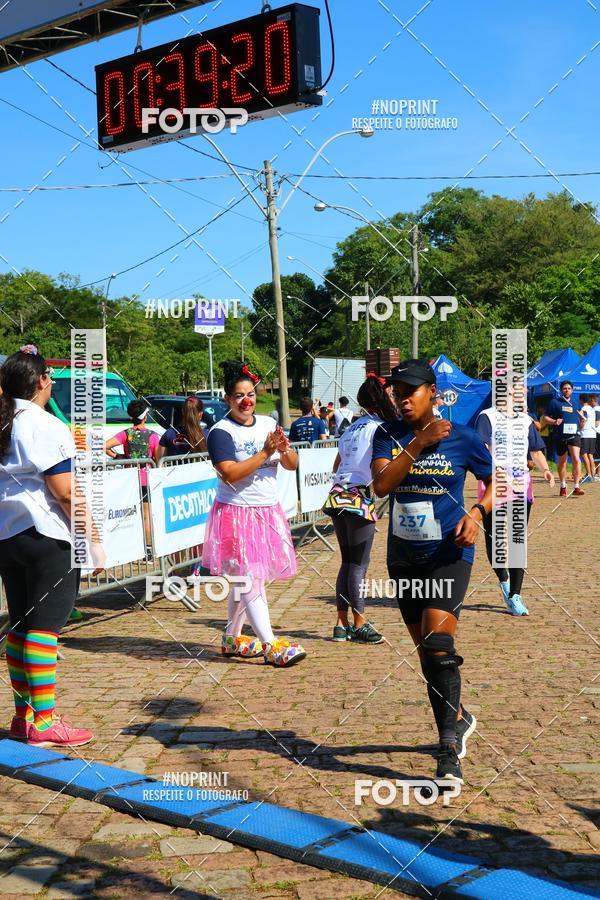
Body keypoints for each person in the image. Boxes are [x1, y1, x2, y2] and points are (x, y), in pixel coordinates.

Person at [372, 360, 494, 784]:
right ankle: (458, 716)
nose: (401, 398)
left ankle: (447, 749)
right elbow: (382, 485)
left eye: (410, 391)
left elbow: (498, 481)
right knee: (427, 655)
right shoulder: (387, 434)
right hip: (404, 557)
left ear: (432, 393)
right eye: (396, 391)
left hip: (448, 553)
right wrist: (419, 442)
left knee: (440, 645)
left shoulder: (463, 437)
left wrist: (477, 512)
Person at [0, 346, 101, 748]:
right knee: (44, 631)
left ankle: (24, 717)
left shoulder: (5, 420)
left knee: (21, 627)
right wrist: (90, 534)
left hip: (8, 535)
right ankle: (44, 722)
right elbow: (63, 491)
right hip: (45, 535)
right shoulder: (43, 424)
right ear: (43, 380)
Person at [202, 361, 306, 667]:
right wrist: (263, 452)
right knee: (249, 579)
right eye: (238, 396)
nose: (246, 401)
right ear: (227, 399)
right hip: (236, 514)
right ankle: (270, 643)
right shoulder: (220, 432)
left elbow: (292, 464)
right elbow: (229, 474)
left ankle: (232, 638)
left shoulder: (267, 424)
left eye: (250, 394)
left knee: (243, 580)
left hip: (267, 512)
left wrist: (283, 449)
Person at [323, 374, 397, 644]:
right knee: (358, 566)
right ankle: (360, 623)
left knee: (347, 563)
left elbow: (336, 465)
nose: (394, 399)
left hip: (337, 495)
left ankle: (341, 624)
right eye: (390, 394)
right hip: (358, 498)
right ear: (382, 398)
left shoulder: (352, 427)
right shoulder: (382, 428)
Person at [475, 399, 555, 616]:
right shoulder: (487, 417)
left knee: (517, 538)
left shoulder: (525, 420)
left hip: (521, 485)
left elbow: (536, 451)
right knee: (495, 539)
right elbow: (482, 449)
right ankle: (504, 581)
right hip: (495, 485)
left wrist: (546, 469)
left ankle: (515, 595)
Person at [104, 399, 160, 551]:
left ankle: (131, 548)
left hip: (129, 481)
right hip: (146, 480)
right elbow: (158, 459)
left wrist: (118, 457)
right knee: (147, 515)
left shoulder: (125, 434)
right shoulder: (153, 436)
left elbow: (104, 446)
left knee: (131, 516)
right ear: (145, 417)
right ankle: (148, 549)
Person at [542, 381, 585, 496]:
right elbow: (545, 417)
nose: (567, 390)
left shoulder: (576, 403)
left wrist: (582, 422)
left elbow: (581, 424)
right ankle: (563, 485)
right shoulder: (555, 402)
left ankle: (576, 487)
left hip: (574, 435)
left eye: (569, 388)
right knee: (562, 462)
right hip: (560, 436)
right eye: (565, 388)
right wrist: (554, 421)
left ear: (572, 390)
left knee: (576, 459)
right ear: (561, 390)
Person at [156, 396, 207, 460]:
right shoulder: (208, 435)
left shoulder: (169, 434)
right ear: (201, 414)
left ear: (183, 412)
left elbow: (160, 462)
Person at [578, 393, 596, 482]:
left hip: (585, 434)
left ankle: (588, 475)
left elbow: (582, 421)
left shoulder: (583, 409)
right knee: (590, 455)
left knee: (584, 454)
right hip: (593, 434)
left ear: (581, 400)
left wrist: (578, 429)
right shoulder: (592, 409)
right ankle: (592, 475)